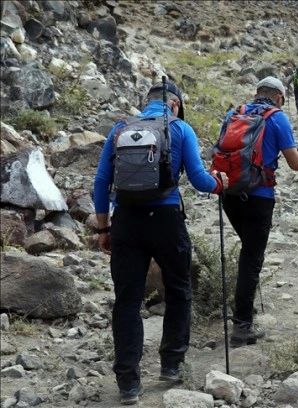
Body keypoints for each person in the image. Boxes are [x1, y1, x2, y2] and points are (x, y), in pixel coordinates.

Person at [93, 81, 229, 405]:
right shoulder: (180, 129)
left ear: (146, 104)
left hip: (126, 221)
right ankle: (171, 365)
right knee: (179, 290)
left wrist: (103, 228)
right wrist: (219, 185)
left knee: (127, 300)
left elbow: (101, 181)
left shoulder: (120, 129)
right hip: (167, 220)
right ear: (175, 104)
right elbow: (197, 179)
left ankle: (128, 383)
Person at [221, 77, 298, 347]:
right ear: (280, 97)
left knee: (247, 252)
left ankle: (243, 311)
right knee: (251, 257)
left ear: (256, 93)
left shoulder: (233, 113)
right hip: (259, 196)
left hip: (230, 194)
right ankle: (242, 325)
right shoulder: (277, 117)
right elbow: (295, 163)